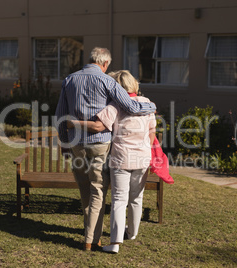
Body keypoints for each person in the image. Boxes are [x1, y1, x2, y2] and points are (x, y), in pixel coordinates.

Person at [55, 47, 156, 251]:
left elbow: (60, 115)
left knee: (85, 189)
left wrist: (65, 142)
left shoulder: (69, 80)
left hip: (76, 143)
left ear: (90, 59)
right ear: (106, 63)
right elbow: (132, 106)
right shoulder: (107, 81)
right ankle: (92, 239)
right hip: (100, 143)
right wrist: (151, 107)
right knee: (98, 190)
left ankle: (89, 235)